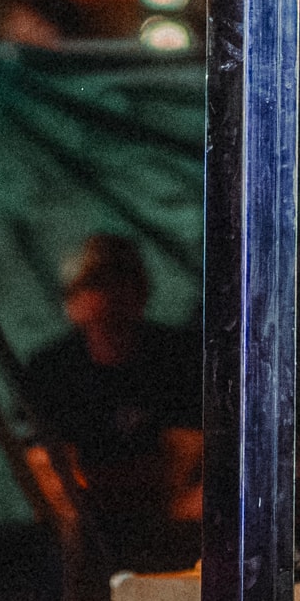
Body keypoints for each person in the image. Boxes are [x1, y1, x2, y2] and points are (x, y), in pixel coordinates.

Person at [19, 233, 206, 572]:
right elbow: (45, 463)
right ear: (71, 300)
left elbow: (186, 454)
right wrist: (87, 494)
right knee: (61, 515)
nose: (108, 297)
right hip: (88, 508)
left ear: (141, 292)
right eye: (94, 285)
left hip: (164, 504)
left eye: (121, 282)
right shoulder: (51, 368)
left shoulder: (177, 357)